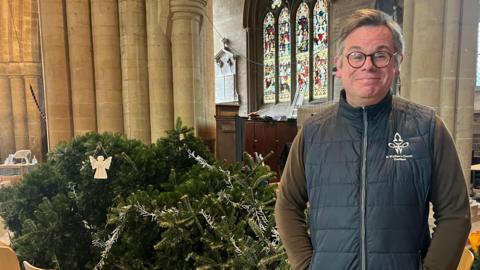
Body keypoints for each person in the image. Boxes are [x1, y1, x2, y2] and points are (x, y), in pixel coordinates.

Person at [275, 8, 471, 270]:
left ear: (396, 64)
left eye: (380, 55)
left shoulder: (427, 128)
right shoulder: (312, 133)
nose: (368, 64)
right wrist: (307, 264)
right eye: (356, 55)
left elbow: (456, 213)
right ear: (339, 65)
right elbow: (288, 204)